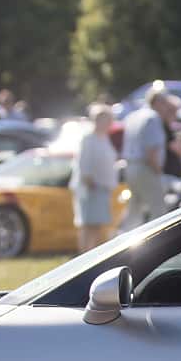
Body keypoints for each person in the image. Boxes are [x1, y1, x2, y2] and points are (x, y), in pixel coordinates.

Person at [69, 105, 121, 252]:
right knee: (87, 224)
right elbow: (83, 163)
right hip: (90, 189)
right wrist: (89, 182)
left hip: (102, 188)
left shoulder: (104, 138)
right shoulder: (88, 139)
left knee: (97, 225)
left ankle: (92, 254)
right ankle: (84, 254)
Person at [121, 85, 174, 226]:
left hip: (130, 167)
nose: (166, 108)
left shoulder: (133, 116)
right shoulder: (152, 117)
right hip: (146, 168)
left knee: (134, 210)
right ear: (157, 102)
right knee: (159, 212)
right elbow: (152, 151)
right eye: (164, 103)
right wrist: (158, 172)